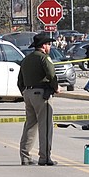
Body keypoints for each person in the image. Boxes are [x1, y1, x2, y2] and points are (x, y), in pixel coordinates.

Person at [17, 32, 59, 166]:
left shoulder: (26, 59)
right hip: (41, 94)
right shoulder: (44, 58)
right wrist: (56, 87)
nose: (50, 47)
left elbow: (19, 80)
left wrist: (24, 93)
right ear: (43, 46)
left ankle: (25, 156)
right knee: (45, 126)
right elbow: (52, 74)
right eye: (48, 44)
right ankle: (45, 157)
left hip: (28, 93)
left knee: (30, 125)